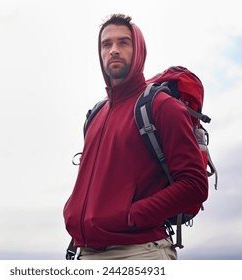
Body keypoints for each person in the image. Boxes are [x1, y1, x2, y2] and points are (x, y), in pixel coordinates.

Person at [63, 14, 208, 260]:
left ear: (138, 49)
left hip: (141, 252)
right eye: (106, 44)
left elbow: (194, 185)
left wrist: (130, 216)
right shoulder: (95, 115)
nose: (114, 50)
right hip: (86, 253)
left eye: (124, 43)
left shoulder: (161, 106)